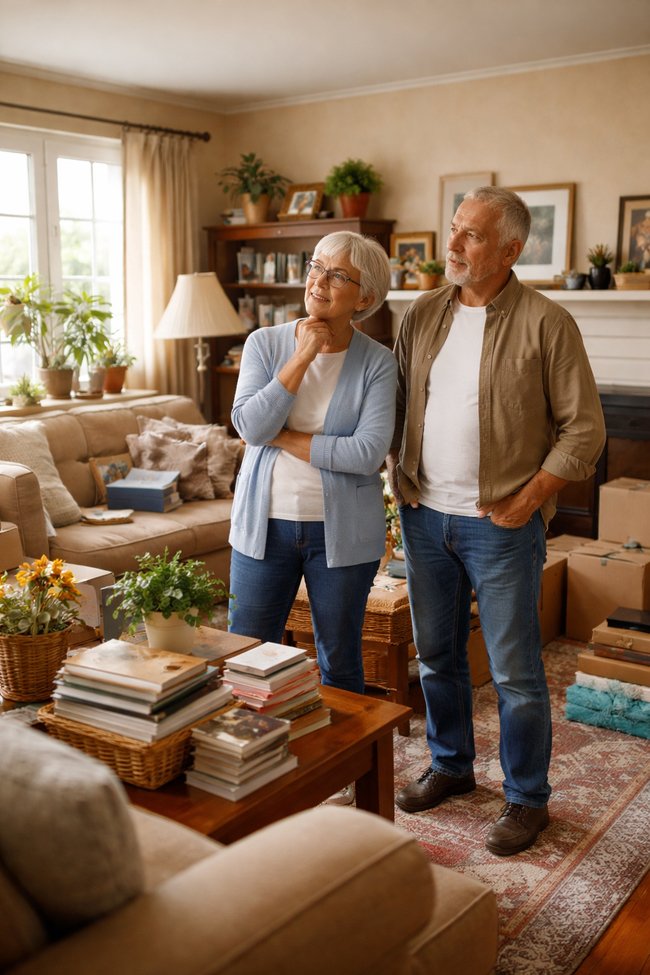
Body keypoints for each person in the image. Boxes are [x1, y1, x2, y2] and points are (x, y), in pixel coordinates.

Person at [388, 186, 606, 855]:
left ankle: (526, 798)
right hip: (425, 517)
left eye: (472, 236)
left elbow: (586, 430)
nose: (453, 245)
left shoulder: (547, 322)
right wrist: (395, 481)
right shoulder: (421, 314)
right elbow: (391, 404)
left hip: (502, 526)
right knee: (437, 658)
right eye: (454, 229)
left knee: (514, 671)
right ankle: (451, 766)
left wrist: (531, 495)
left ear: (512, 249)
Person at [228, 231, 397, 767]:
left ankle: (341, 768)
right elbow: (250, 423)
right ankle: (246, 764)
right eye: (315, 267)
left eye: (337, 275)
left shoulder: (378, 362)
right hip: (263, 526)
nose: (318, 281)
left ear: (364, 298)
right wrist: (301, 356)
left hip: (341, 535)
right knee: (249, 653)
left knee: (341, 659)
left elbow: (368, 453)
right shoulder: (265, 343)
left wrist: (280, 437)